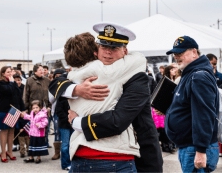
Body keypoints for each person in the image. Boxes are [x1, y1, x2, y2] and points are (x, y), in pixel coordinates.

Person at [49, 23, 163, 172]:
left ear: (125, 51)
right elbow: (57, 82)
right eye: (104, 47)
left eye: (114, 48)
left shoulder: (137, 77)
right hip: (90, 156)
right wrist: (76, 89)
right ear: (97, 50)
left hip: (135, 154)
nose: (108, 52)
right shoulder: (91, 71)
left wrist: (76, 122)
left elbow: (118, 120)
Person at [165, 36, 219, 172]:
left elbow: (204, 114)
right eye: (175, 54)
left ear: (194, 52)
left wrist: (201, 150)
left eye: (180, 53)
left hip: (195, 147)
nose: (176, 57)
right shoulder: (191, 73)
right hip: (190, 146)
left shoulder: (198, 76)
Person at [0, 66, 25, 163]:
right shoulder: (0, 83)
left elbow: (18, 96)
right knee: (4, 131)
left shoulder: (13, 83)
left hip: (14, 110)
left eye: (11, 71)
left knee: (12, 131)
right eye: (8, 72)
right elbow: (9, 91)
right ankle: (3, 152)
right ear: (3, 73)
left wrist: (22, 109)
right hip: (4, 110)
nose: (10, 73)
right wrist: (13, 83)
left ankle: (10, 151)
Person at [23, 64, 52, 148]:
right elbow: (26, 95)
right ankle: (33, 147)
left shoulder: (47, 80)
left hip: (44, 109)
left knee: (44, 128)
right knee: (34, 129)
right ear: (35, 71)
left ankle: (43, 145)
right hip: (33, 110)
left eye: (43, 69)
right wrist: (26, 108)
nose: (42, 71)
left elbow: (50, 95)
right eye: (40, 70)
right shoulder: (29, 80)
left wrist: (49, 106)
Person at [49, 69, 65, 161]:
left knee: (67, 132)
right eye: (56, 76)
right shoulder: (52, 86)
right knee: (57, 131)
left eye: (60, 76)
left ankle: (66, 153)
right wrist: (58, 92)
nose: (58, 78)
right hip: (56, 112)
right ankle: (57, 152)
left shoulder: (68, 84)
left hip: (66, 112)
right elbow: (51, 100)